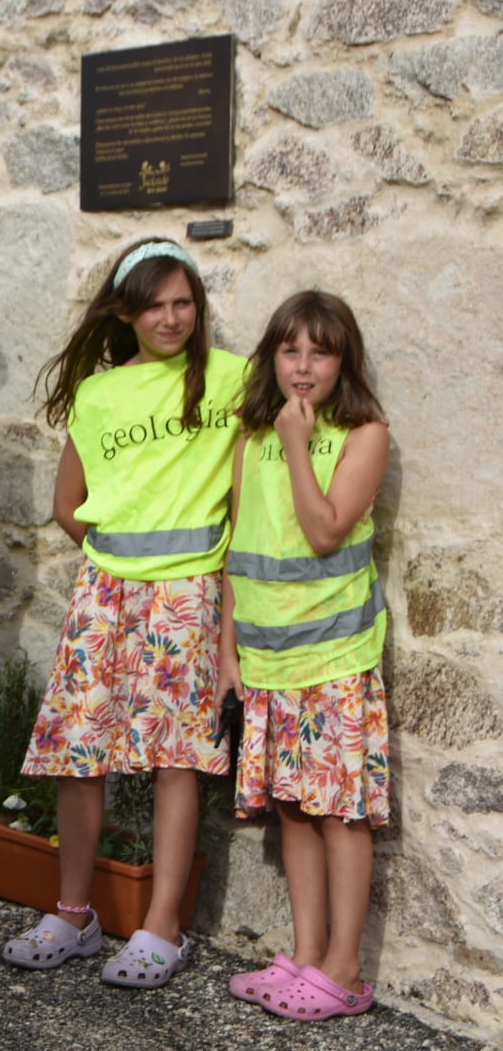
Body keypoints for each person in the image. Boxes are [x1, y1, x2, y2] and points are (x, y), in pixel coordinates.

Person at [4, 238, 243, 986]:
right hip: (105, 594)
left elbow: (247, 499)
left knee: (177, 758)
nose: (172, 318)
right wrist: (117, 561)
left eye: (184, 302)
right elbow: (67, 505)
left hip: (190, 595)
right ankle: (73, 915)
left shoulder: (232, 379)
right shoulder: (100, 394)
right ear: (125, 312)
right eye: (155, 305)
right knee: (79, 751)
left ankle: (162, 927)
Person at [221, 291, 391, 1021]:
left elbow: (324, 532)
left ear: (343, 361)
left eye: (320, 352)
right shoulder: (252, 435)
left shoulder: (363, 434)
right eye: (290, 350)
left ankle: (345, 969)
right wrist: (227, 646)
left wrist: (298, 443)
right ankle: (309, 953)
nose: (302, 366)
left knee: (339, 811)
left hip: (334, 656)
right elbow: (238, 543)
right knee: (292, 808)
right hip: (268, 656)